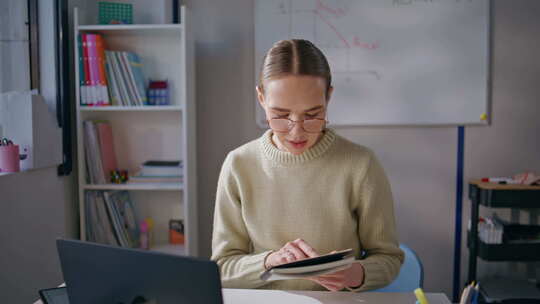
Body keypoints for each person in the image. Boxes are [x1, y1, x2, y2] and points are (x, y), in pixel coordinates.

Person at [211, 39, 403, 292]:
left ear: (329, 97)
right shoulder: (239, 164)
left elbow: (388, 258)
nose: (296, 132)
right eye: (280, 115)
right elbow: (223, 267)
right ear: (261, 98)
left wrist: (355, 274)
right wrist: (269, 262)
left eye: (312, 115)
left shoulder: (361, 165)